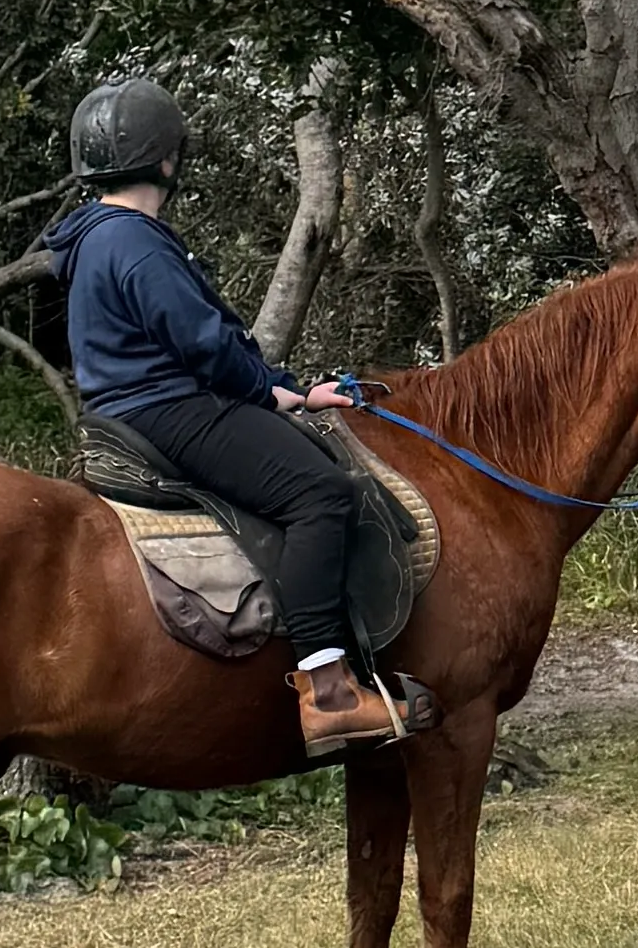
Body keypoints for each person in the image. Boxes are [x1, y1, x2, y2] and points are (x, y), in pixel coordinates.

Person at [42, 74, 437, 759]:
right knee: (322, 493)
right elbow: (201, 341)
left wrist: (277, 388)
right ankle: (330, 696)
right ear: (168, 160)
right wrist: (269, 390)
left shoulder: (92, 238)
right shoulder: (135, 240)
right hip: (171, 410)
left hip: (132, 409)